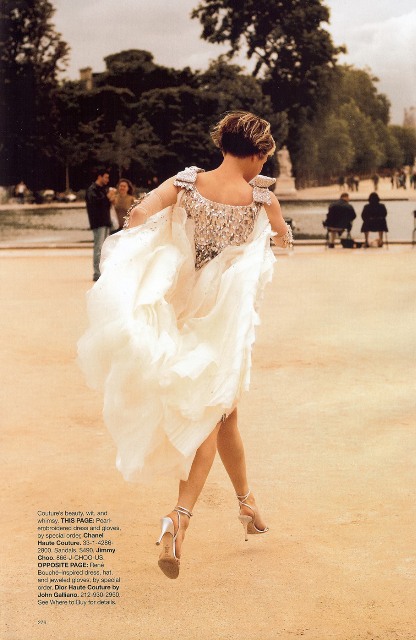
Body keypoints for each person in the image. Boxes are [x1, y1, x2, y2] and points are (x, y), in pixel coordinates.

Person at [77, 112, 292, 579]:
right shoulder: (260, 197)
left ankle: (246, 504)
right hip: (223, 322)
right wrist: (273, 232)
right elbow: (283, 239)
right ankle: (179, 517)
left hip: (181, 313)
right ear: (257, 154)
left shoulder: (188, 182)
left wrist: (149, 250)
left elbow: (137, 215)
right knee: (209, 416)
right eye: (263, 158)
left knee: (226, 413)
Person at [85, 169, 112, 281]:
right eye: (106, 177)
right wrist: (107, 197)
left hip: (105, 221)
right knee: (98, 248)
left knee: (104, 248)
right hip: (98, 222)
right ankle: (97, 273)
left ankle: (102, 271)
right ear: (99, 177)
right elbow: (95, 203)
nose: (107, 180)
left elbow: (106, 205)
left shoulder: (102, 189)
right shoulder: (92, 189)